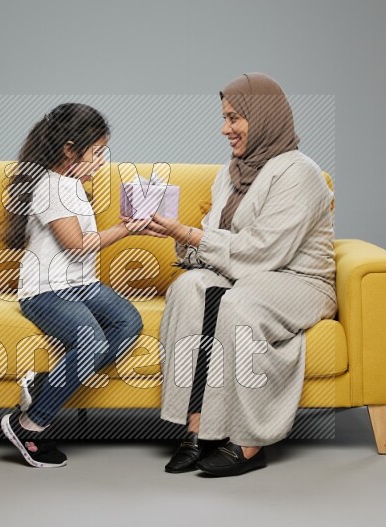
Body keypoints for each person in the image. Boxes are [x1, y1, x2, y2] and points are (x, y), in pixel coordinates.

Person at [128, 73, 338, 477]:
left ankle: (249, 440)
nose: (225, 129)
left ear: (263, 118)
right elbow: (214, 235)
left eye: (234, 118)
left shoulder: (299, 172)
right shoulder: (231, 172)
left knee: (239, 304)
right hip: (246, 273)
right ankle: (199, 424)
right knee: (189, 288)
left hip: (298, 280)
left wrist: (190, 234)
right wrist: (175, 234)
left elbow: (264, 250)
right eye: (224, 118)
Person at [0, 103, 146, 468]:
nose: (101, 161)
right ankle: (29, 424)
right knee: (91, 342)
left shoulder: (72, 186)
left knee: (128, 322)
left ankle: (43, 384)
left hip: (82, 284)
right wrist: (128, 227)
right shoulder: (51, 188)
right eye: (96, 152)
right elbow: (77, 245)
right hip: (47, 291)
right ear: (69, 150)